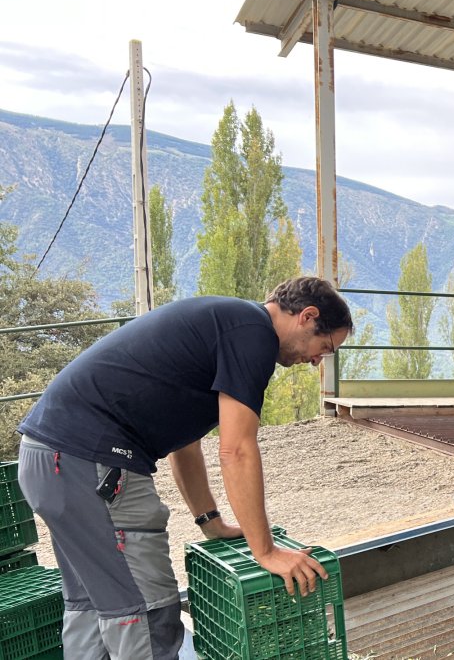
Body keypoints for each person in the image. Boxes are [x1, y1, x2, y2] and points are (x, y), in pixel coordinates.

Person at [16, 276, 353, 659]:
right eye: (323, 348)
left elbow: (184, 442)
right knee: (147, 613)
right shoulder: (253, 335)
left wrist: (209, 520)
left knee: (95, 606)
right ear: (307, 317)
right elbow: (238, 451)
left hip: (50, 460)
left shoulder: (226, 323)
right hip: (94, 463)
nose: (314, 362)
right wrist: (267, 552)